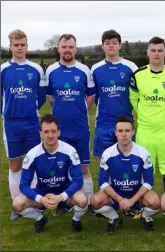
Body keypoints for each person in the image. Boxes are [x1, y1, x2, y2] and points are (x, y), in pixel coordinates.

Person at [45, 34, 96, 214]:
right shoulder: (50, 70)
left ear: (75, 49)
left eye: (71, 47)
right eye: (64, 46)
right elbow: (50, 96)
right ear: (58, 48)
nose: (67, 50)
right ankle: (63, 203)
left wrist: (81, 108)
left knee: (83, 166)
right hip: (60, 130)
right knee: (61, 166)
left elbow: (91, 95)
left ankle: (89, 202)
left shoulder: (84, 70)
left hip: (80, 127)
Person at [11, 114, 87, 233]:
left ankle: (76, 220)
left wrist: (61, 197)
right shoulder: (32, 154)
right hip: (43, 193)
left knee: (82, 200)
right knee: (17, 204)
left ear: (59, 132)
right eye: (46, 132)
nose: (50, 135)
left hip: (64, 193)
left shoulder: (70, 151)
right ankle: (40, 218)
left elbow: (78, 181)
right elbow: (24, 185)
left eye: (53, 131)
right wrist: (41, 199)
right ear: (40, 133)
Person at [1, 29, 46, 220]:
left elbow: (42, 96)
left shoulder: (36, 69)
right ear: (10, 46)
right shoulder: (3, 69)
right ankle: (17, 206)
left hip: (31, 122)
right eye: (16, 45)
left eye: (23, 44)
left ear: (27, 45)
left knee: (33, 162)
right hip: (11, 123)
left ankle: (34, 201)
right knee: (15, 165)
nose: (19, 48)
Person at [90, 116, 160, 232]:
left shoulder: (143, 153)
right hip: (115, 195)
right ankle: (114, 217)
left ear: (133, 132)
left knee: (156, 202)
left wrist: (132, 200)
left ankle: (145, 216)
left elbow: (149, 182)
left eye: (127, 131)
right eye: (120, 131)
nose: (124, 134)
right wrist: (120, 199)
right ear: (115, 133)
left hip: (138, 195)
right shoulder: (108, 154)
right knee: (94, 201)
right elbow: (102, 182)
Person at [129, 36, 165, 176]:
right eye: (153, 50)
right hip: (145, 134)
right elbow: (133, 99)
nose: (156, 53)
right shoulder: (137, 75)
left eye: (160, 50)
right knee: (144, 174)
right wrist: (145, 113)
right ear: (147, 52)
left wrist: (163, 113)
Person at [91, 29, 138, 158]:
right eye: (107, 43)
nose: (111, 45)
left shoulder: (131, 67)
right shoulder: (95, 69)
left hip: (126, 122)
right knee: (105, 162)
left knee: (127, 160)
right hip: (103, 123)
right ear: (102, 46)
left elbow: (137, 94)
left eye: (114, 42)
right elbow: (93, 95)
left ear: (120, 45)